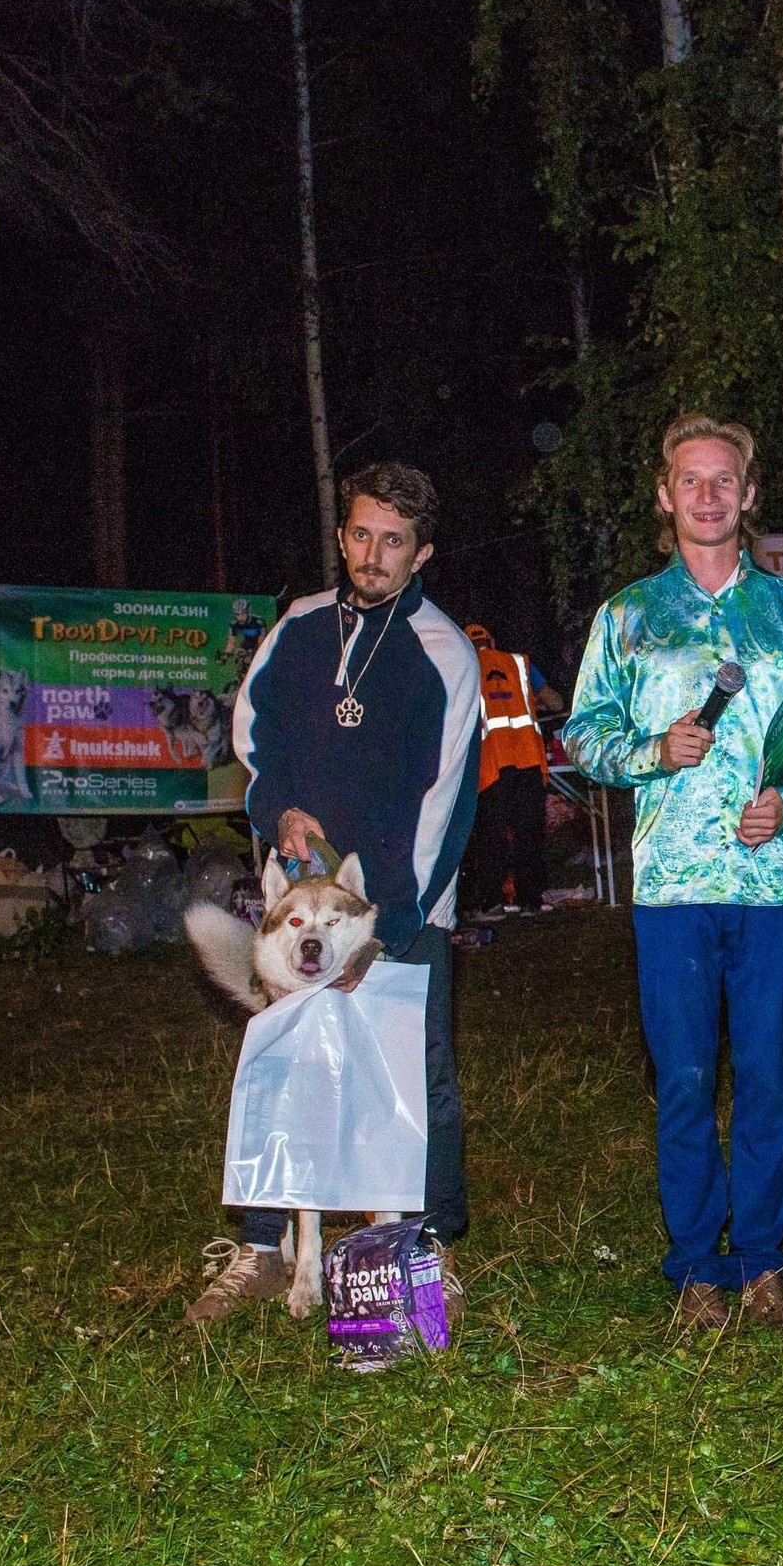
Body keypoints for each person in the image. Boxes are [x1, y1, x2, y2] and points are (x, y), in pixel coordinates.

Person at [564, 414, 783, 1331]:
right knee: (688, 1077)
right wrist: (652, 750)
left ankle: (765, 1261)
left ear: (747, 493)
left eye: (723, 480)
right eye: (689, 481)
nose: (707, 495)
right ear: (664, 496)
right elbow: (581, 737)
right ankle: (699, 1265)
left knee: (768, 1076)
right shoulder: (627, 616)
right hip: (672, 890)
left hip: (772, 884)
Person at [186, 460, 482, 1327]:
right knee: (285, 1071)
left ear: (421, 552)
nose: (371, 554)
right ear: (343, 536)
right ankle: (264, 1245)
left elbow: (444, 799)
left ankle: (423, 1247)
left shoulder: (443, 652)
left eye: (393, 541)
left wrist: (378, 927)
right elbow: (252, 730)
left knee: (415, 1078)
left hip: (398, 907)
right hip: (299, 908)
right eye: (360, 534)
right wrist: (275, 807)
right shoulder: (300, 627)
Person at [459, 623, 562, 917]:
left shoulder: (464, 667)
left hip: (491, 762)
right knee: (529, 832)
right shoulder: (519, 663)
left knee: (491, 835)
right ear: (492, 640)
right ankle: (531, 900)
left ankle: (492, 902)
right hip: (529, 758)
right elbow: (556, 701)